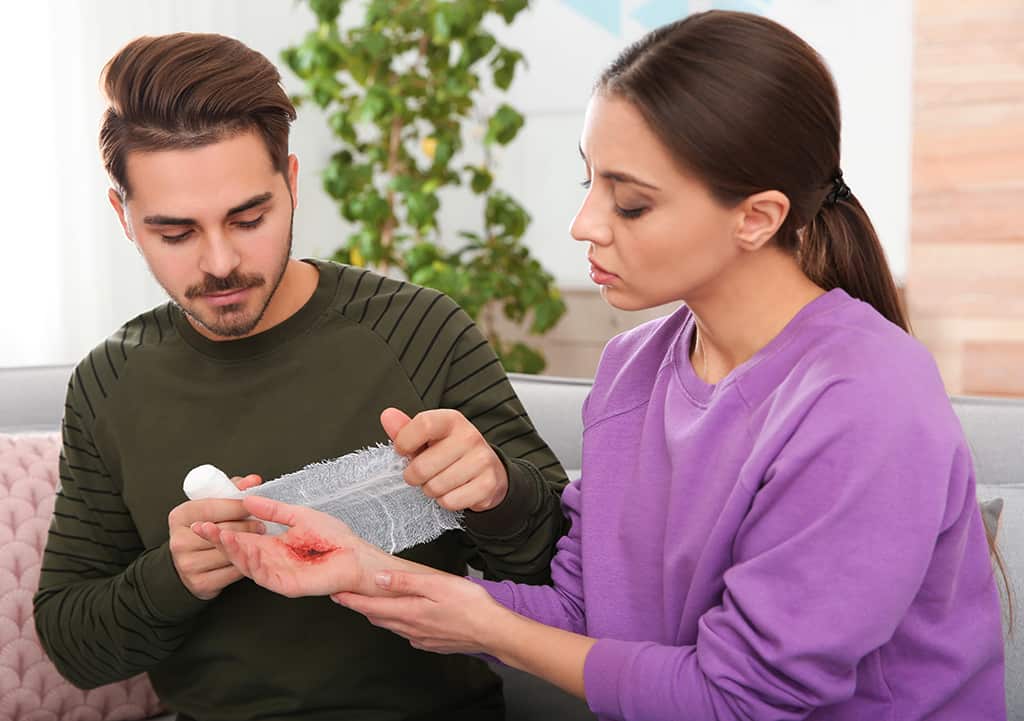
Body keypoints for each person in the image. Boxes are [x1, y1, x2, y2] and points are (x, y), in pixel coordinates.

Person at [194, 11, 1008, 721]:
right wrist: (362, 566)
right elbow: (587, 610)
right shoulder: (634, 368)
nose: (584, 223)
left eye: (631, 202)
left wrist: (482, 625)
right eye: (591, 183)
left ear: (757, 218)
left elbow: (740, 697)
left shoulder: (865, 399)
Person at [32, 32, 571, 721]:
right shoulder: (109, 382)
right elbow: (75, 646)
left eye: (248, 217)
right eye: (176, 233)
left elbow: (565, 577)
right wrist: (178, 574)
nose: (220, 261)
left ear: (290, 182)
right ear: (123, 217)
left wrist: (498, 490)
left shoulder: (420, 331)